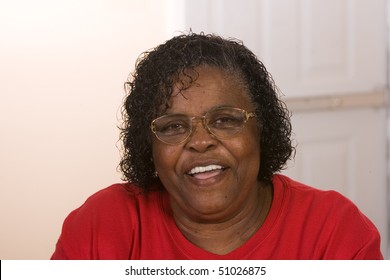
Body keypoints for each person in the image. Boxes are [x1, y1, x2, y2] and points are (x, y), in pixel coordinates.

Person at [51, 32, 383, 260]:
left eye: (224, 119)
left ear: (261, 127)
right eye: (174, 126)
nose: (199, 142)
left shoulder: (334, 231)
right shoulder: (102, 224)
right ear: (148, 145)